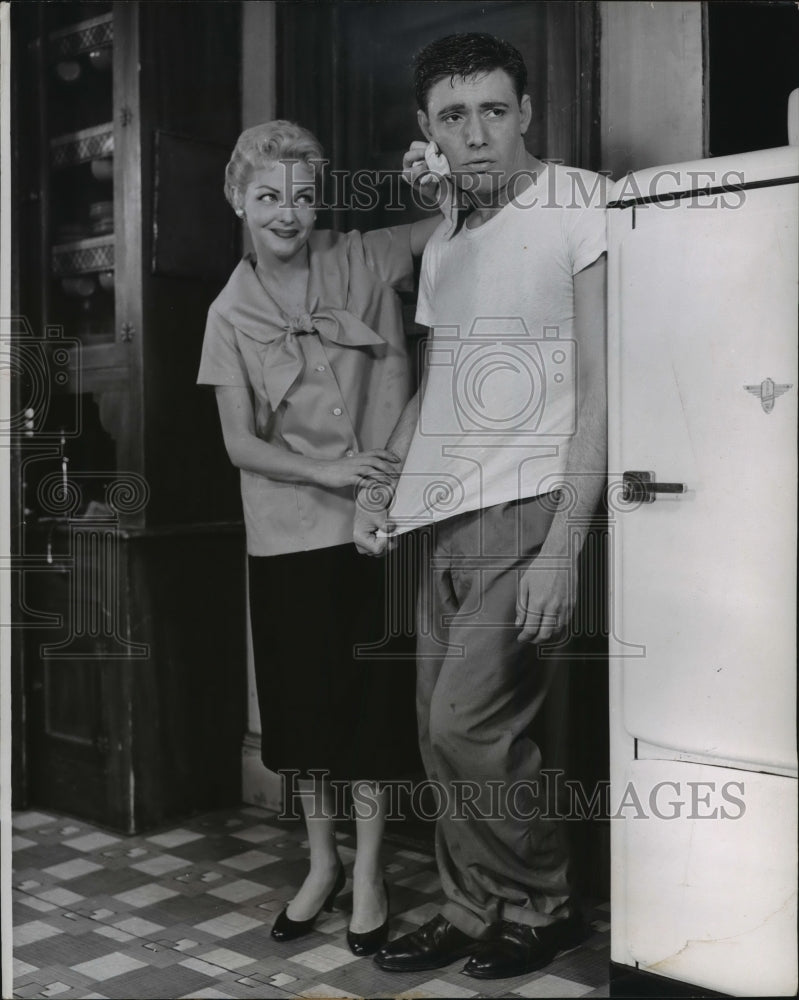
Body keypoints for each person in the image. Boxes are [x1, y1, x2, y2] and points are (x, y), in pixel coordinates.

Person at [354, 33, 608, 979]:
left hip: (530, 505)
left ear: (527, 112)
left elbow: (599, 385)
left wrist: (562, 548)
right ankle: (470, 911)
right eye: (454, 117)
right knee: (438, 733)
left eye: (494, 110)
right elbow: (435, 388)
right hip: (442, 517)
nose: (477, 133)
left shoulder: (582, 201)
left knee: (471, 726)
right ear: (427, 131)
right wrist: (383, 488)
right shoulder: (449, 239)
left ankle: (544, 905)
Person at [197, 120, 440, 956]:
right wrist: (325, 474)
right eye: (268, 196)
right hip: (287, 532)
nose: (288, 213)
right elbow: (239, 443)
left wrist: (435, 176)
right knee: (304, 715)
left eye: (302, 195)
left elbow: (452, 225)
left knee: (370, 709)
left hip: (374, 524)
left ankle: (369, 873)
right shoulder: (227, 313)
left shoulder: (365, 258)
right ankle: (321, 864)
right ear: (238, 199)